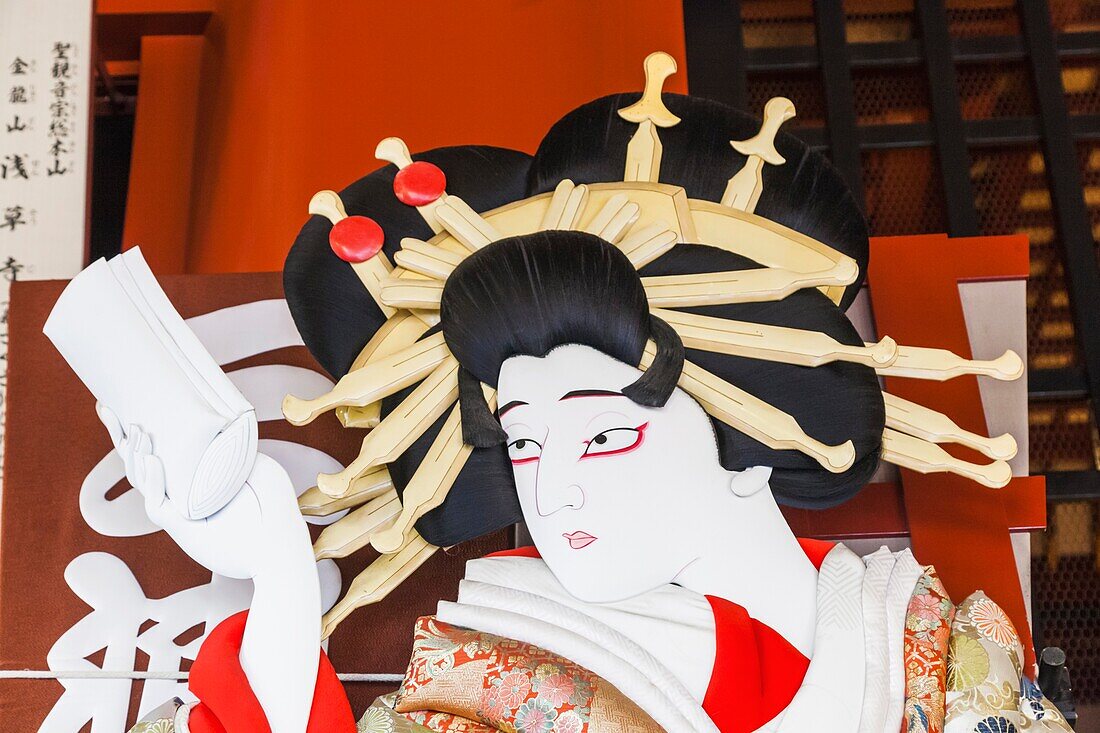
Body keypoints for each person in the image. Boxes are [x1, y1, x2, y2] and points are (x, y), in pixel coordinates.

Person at [103, 54, 1068, 733]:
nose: (553, 491)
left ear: (752, 429)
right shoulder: (498, 682)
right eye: (524, 444)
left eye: (603, 437)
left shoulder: (936, 661)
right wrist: (276, 576)